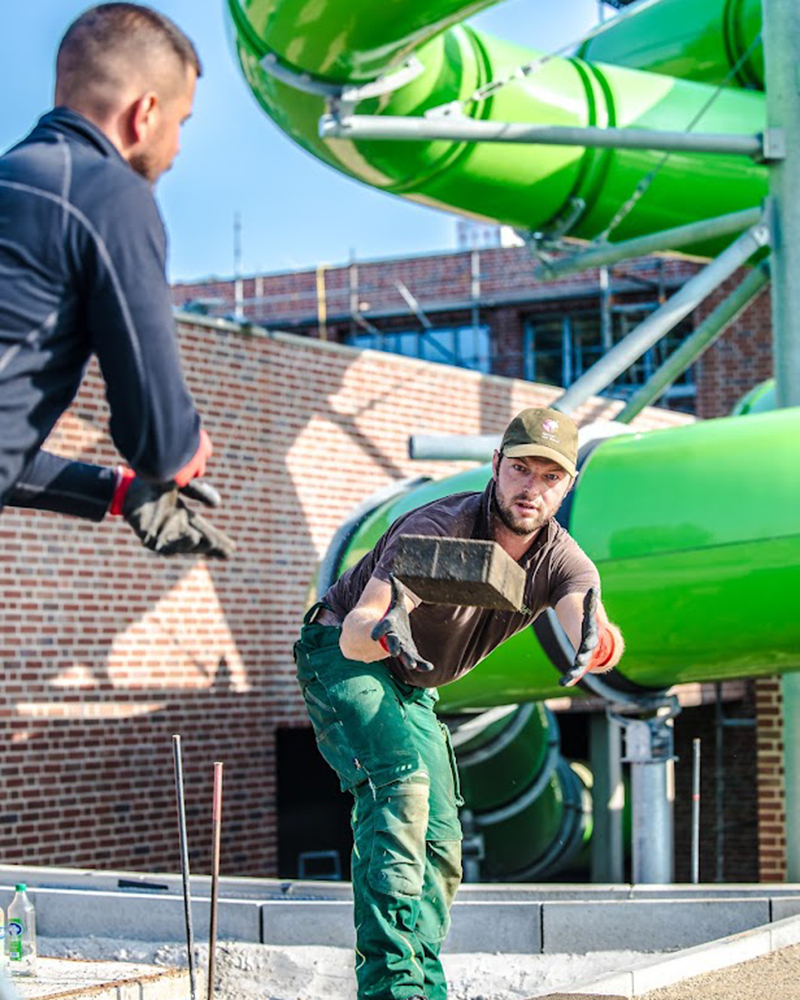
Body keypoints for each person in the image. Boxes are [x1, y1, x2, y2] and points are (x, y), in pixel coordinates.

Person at [294, 406, 624, 1000]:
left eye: (550, 478)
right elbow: (354, 630)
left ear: (567, 485)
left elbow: (590, 619)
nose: (533, 489)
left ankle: (423, 982)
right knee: (401, 786)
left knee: (442, 837)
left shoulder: (560, 559)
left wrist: (598, 645)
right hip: (342, 655)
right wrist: (384, 627)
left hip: (415, 687)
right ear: (496, 465)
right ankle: (391, 988)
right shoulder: (440, 526)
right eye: (522, 469)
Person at [0, 2, 233, 558]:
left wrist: (120, 492)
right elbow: (158, 442)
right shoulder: (109, 195)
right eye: (181, 124)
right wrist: (181, 449)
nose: (176, 148)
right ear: (145, 113)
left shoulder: (17, 185)